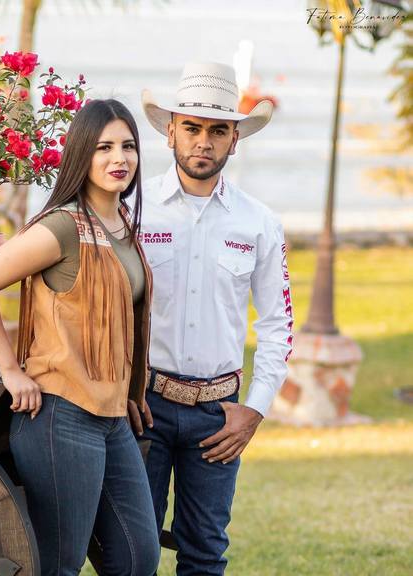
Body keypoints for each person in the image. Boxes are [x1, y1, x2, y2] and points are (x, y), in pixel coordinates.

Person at [0, 99, 160, 576]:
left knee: (138, 556)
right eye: (104, 147)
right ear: (81, 155)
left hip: (111, 417)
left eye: (128, 146)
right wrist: (11, 371)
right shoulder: (64, 226)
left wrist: (127, 390)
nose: (119, 158)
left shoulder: (122, 226)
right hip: (59, 415)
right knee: (59, 564)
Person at [128, 61, 294, 575]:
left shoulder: (259, 222)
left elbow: (277, 325)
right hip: (144, 406)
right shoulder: (132, 209)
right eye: (192, 128)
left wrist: (255, 410)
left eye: (218, 130)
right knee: (129, 552)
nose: (204, 142)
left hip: (219, 415)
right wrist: (121, 392)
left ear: (234, 141)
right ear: (170, 132)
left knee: (205, 554)